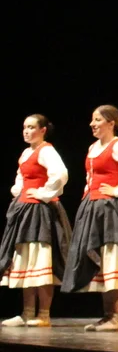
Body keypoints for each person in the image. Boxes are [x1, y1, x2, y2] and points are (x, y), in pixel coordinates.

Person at [62, 105, 118, 332]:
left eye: (98, 120)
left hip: (112, 210)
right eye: (92, 120)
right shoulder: (93, 147)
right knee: (101, 261)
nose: (92, 124)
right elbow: (90, 177)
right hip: (94, 207)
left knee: (114, 258)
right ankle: (108, 315)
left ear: (111, 123)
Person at [1, 114, 70, 327]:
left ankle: (44, 315)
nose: (27, 131)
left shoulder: (46, 151)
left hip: (40, 211)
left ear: (43, 130)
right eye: (25, 127)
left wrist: (42, 193)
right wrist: (19, 192)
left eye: (31, 127)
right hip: (24, 210)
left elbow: (60, 174)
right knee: (25, 260)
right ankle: (27, 313)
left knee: (40, 260)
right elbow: (21, 178)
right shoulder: (26, 153)